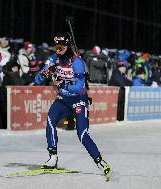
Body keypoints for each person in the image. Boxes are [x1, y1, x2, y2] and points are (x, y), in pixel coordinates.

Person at [34, 33, 112, 179]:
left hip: (79, 99)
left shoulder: (76, 62)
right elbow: (36, 79)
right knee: (50, 121)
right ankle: (53, 158)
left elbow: (79, 87)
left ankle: (101, 162)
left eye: (61, 48)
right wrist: (44, 74)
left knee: (81, 134)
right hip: (63, 99)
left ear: (67, 46)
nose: (58, 50)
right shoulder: (53, 59)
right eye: (55, 47)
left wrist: (62, 83)